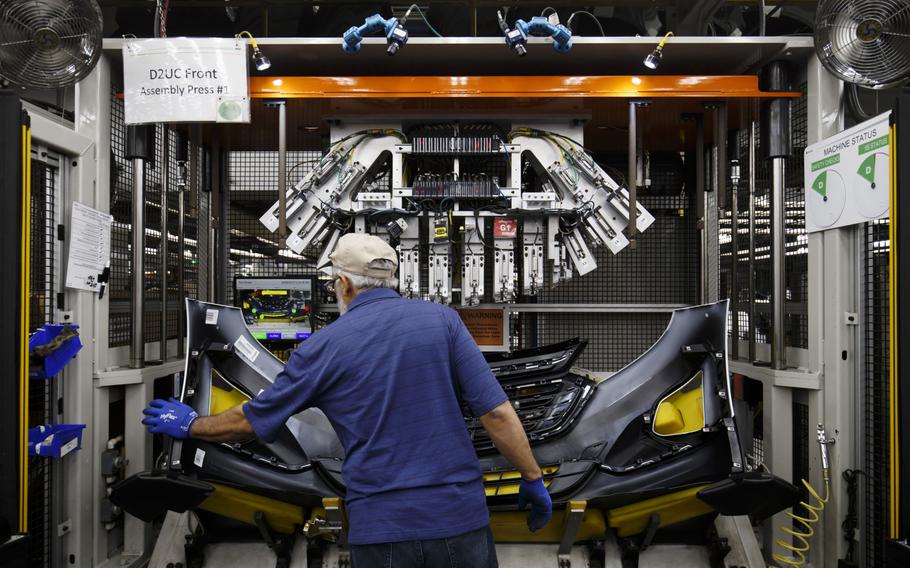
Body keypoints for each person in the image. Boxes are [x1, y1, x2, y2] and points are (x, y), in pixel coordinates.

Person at [142, 233, 552, 568]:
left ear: (343, 284)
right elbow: (497, 413)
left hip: (382, 530)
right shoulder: (443, 321)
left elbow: (250, 420)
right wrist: (532, 478)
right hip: (460, 522)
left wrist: (191, 425)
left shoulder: (323, 348)